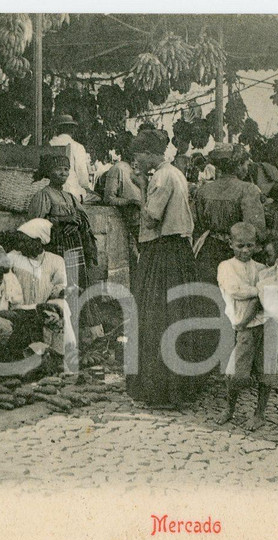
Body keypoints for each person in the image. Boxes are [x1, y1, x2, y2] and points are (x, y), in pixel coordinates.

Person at [125, 129, 205, 406]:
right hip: (178, 251)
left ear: (149, 154)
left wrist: (140, 186)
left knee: (156, 316)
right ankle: (181, 386)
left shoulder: (159, 177)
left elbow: (149, 219)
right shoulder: (176, 173)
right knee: (176, 315)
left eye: (138, 155)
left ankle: (160, 390)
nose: (137, 160)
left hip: (164, 252)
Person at [216, 223, 278, 430]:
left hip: (265, 323)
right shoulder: (226, 266)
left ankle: (259, 413)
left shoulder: (260, 268)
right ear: (230, 244)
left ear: (256, 246)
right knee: (236, 373)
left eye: (250, 246)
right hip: (244, 326)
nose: (245, 250)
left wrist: (263, 291)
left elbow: (269, 293)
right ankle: (229, 408)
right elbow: (235, 290)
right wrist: (260, 290)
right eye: (240, 245)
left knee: (266, 370)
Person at [192, 143, 266, 284]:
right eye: (245, 164)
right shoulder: (248, 189)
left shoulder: (203, 190)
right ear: (237, 165)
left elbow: (198, 222)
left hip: (208, 251)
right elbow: (255, 229)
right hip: (235, 255)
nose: (246, 169)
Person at [0, 219, 76, 357]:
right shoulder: (12, 257)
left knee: (63, 306)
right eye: (19, 241)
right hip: (19, 309)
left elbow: (58, 288)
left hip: (43, 308)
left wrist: (65, 292)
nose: (20, 245)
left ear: (38, 241)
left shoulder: (56, 261)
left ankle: (63, 354)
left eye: (24, 241)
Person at [28, 152, 98, 296]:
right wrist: (63, 220)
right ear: (49, 172)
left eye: (66, 169)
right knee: (59, 285)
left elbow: (82, 217)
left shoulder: (70, 197)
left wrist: (76, 222)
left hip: (73, 246)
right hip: (55, 246)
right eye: (58, 169)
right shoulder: (44, 195)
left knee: (75, 284)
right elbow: (35, 224)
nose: (63, 173)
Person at [102, 143, 145, 281]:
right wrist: (130, 202)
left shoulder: (140, 168)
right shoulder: (118, 169)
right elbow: (108, 198)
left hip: (144, 221)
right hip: (129, 221)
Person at [48, 113, 92, 200]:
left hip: (50, 192)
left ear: (57, 129)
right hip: (71, 193)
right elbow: (83, 178)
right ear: (72, 130)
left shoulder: (49, 144)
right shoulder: (77, 147)